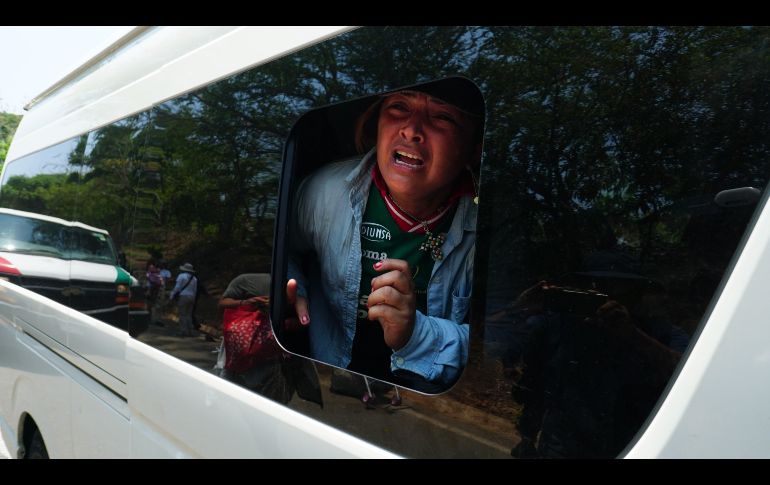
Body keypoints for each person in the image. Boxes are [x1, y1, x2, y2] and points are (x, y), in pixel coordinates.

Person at [286, 77, 484, 390]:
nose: (411, 130)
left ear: (473, 150)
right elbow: (284, 252)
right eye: (399, 107)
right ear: (377, 124)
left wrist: (415, 333)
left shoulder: (491, 226)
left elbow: (496, 349)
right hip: (335, 382)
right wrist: (296, 289)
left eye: (442, 117)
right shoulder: (322, 192)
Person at [219, 273, 322, 406]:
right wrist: (247, 303)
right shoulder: (244, 281)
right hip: (238, 359)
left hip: (275, 364)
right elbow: (222, 304)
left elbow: (304, 322)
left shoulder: (296, 287)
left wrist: (286, 321)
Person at [169, 262, 198, 337]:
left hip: (183, 296)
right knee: (189, 314)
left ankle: (183, 331)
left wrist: (172, 295)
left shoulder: (181, 276)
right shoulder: (194, 278)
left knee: (182, 314)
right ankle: (190, 331)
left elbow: (177, 287)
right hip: (192, 297)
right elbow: (195, 290)